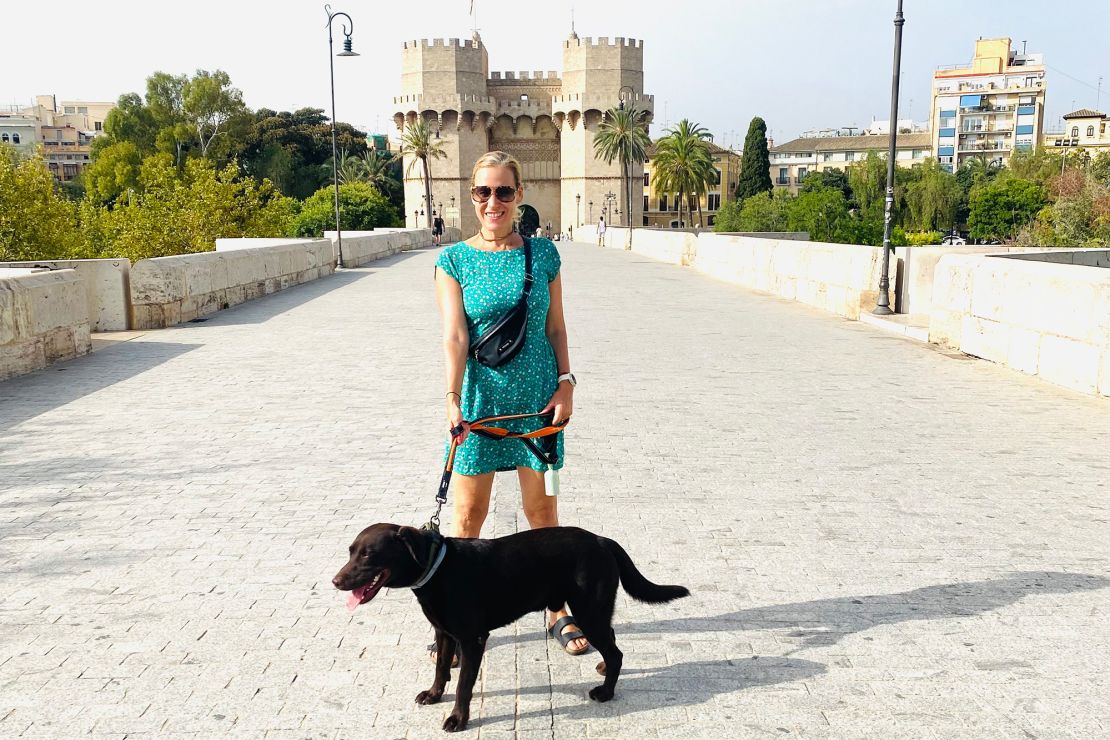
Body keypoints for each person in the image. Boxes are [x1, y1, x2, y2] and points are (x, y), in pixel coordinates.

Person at [434, 150, 587, 657]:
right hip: (480, 405)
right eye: (483, 192)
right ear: (472, 197)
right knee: (467, 520)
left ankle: (557, 609)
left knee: (542, 514)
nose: (492, 202)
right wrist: (453, 400)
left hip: (539, 404)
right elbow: (455, 337)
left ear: (519, 195)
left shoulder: (543, 256)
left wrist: (566, 383)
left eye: (503, 191)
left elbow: (557, 326)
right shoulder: (453, 259)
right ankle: (460, 618)